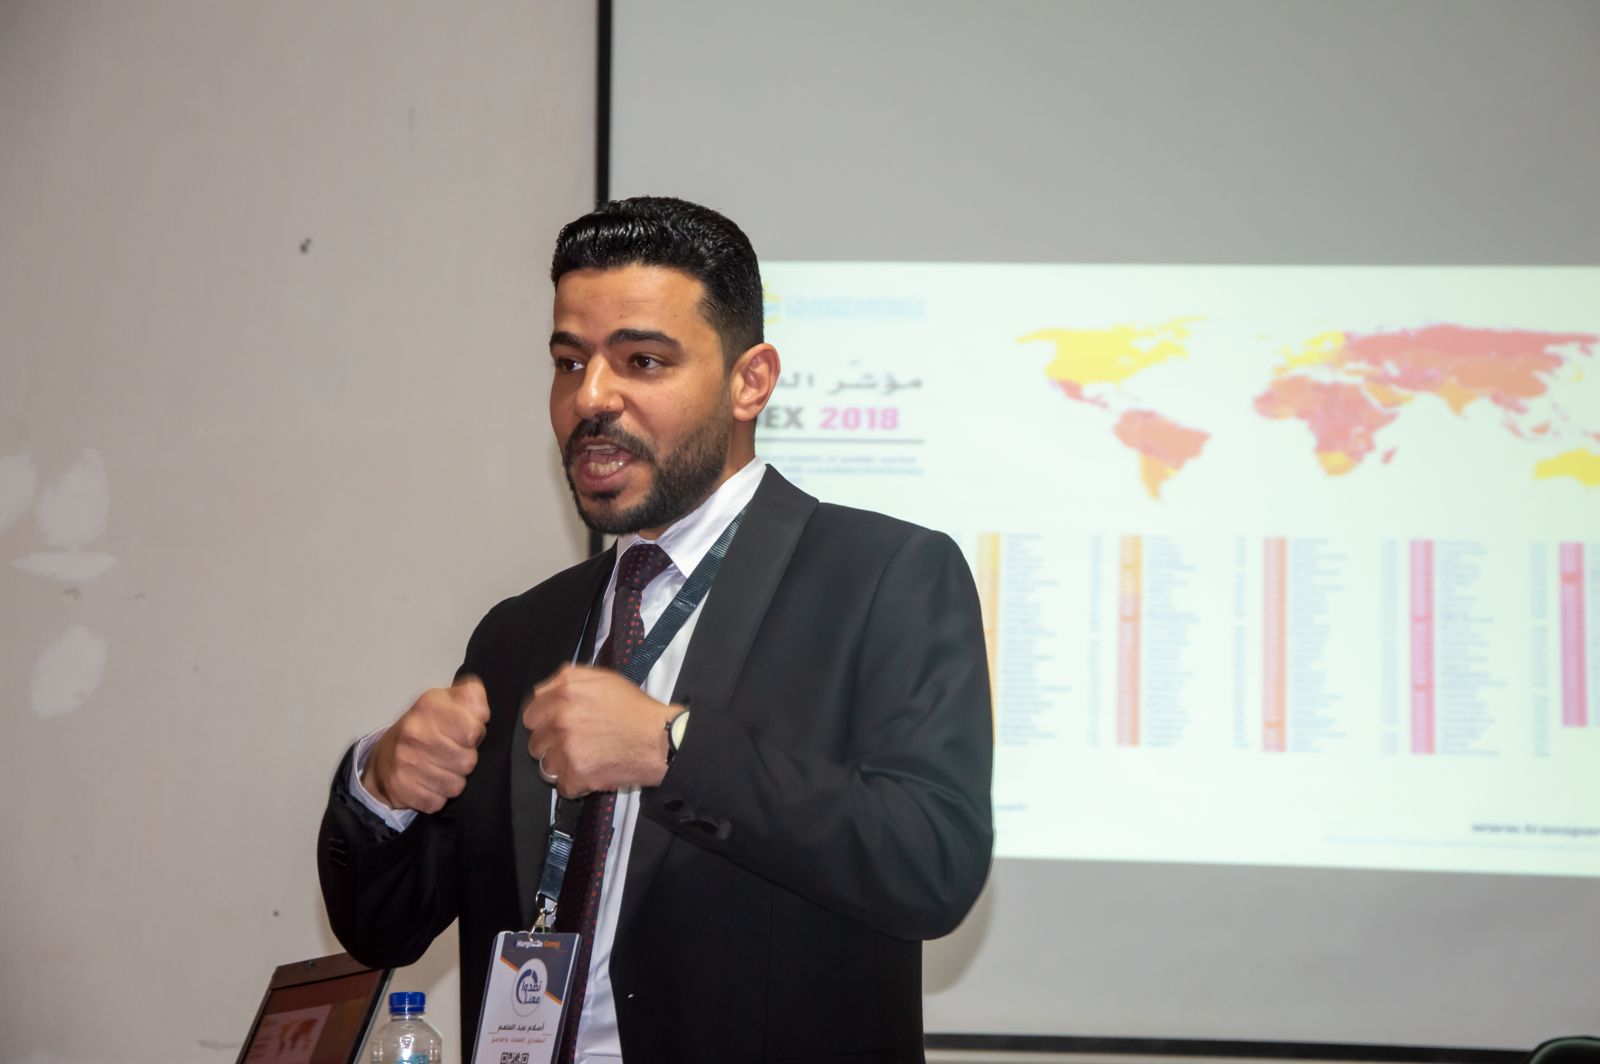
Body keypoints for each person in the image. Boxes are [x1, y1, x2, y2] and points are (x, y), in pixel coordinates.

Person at [317, 196, 993, 1064]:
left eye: (642, 360)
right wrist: (380, 785)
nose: (590, 398)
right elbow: (383, 928)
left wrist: (673, 748)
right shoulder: (519, 631)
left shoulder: (883, 577)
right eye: (569, 362)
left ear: (751, 381)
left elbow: (932, 865)